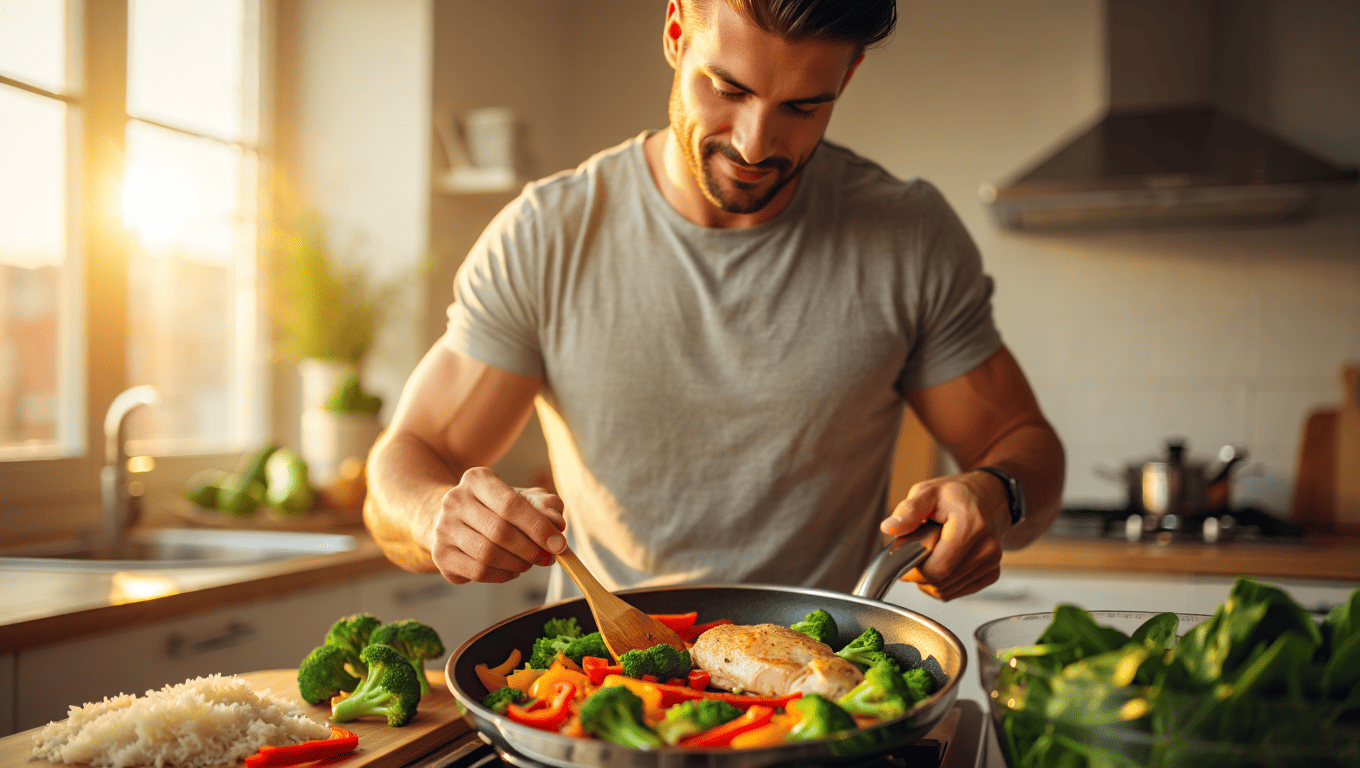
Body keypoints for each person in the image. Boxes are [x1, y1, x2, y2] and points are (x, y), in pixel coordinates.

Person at [364, 0, 1065, 605]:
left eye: (802, 106)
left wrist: (996, 496)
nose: (757, 143)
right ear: (675, 32)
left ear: (847, 76)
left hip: (822, 701)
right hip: (602, 696)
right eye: (727, 88)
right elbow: (408, 459)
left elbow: (1027, 444)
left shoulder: (907, 236)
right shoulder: (548, 235)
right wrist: (434, 517)